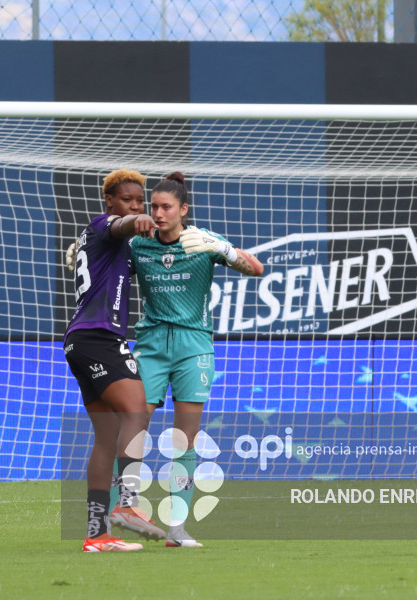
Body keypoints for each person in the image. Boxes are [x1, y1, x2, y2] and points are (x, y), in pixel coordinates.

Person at [130, 171, 263, 547]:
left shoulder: (203, 240)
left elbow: (256, 268)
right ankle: (124, 510)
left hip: (194, 347)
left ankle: (176, 528)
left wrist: (220, 248)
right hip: (151, 344)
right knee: (132, 427)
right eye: (153, 206)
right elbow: (107, 263)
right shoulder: (139, 244)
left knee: (184, 440)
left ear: (183, 209)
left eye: (165, 207)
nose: (157, 213)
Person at [64, 168, 166, 552]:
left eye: (141, 201)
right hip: (100, 337)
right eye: (128, 199)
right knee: (137, 411)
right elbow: (120, 224)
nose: (137, 206)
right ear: (110, 200)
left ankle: (96, 535)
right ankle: (128, 505)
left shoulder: (116, 246)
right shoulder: (104, 225)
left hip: (81, 342)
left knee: (107, 437)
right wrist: (135, 219)